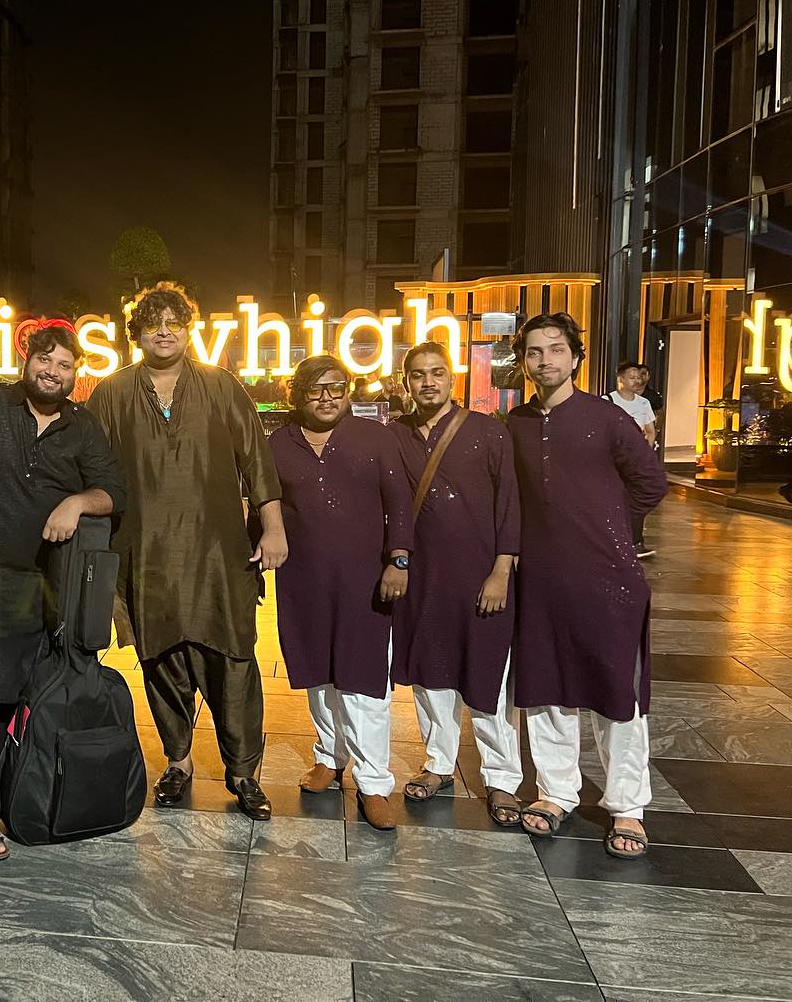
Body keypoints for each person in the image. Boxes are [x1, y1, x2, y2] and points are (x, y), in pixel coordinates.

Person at [0, 325, 127, 861]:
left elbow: (114, 491)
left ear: (76, 373)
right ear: (27, 360)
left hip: (50, 584)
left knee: (39, 696)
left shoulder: (82, 426)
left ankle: (26, 794)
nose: (52, 371)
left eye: (64, 364)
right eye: (45, 359)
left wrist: (77, 502)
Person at [87, 282, 287, 821]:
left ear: (188, 329)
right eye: (153, 323)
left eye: (174, 322)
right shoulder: (111, 392)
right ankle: (178, 762)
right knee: (161, 659)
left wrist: (273, 527)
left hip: (219, 554)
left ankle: (243, 773)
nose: (164, 331)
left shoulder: (221, 386)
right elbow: (90, 466)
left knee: (234, 661)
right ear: (136, 334)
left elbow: (257, 460)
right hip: (146, 553)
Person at [507, 313, 667, 860]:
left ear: (576, 357)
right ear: (523, 362)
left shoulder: (607, 418)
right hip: (540, 580)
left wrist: (610, 527)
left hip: (608, 579)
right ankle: (557, 791)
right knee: (546, 688)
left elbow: (651, 482)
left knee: (615, 692)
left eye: (556, 349)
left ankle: (627, 804)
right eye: (534, 351)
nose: (545, 360)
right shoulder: (516, 424)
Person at [268, 355, 412, 830]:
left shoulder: (375, 438)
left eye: (337, 387)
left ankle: (374, 782)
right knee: (318, 674)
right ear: (297, 394)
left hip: (364, 581)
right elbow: (266, 506)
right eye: (316, 389)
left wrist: (399, 559)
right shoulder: (279, 444)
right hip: (303, 580)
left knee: (363, 680)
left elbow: (400, 503)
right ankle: (330, 757)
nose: (328, 397)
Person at [388, 342, 524, 828]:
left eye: (437, 372)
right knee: (431, 675)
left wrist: (501, 570)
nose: (428, 382)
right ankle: (439, 763)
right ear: (406, 382)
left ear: (453, 378)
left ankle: (502, 777)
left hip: (480, 575)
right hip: (422, 576)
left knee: (486, 677)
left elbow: (509, 503)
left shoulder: (487, 432)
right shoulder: (396, 435)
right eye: (418, 374)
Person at [607, 361, 658, 557]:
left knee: (636, 500)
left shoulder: (644, 403)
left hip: (635, 461)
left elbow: (650, 431)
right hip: (613, 460)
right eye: (632, 377)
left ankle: (636, 542)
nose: (636, 380)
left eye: (638, 377)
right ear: (620, 378)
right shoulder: (607, 401)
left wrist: (645, 453)